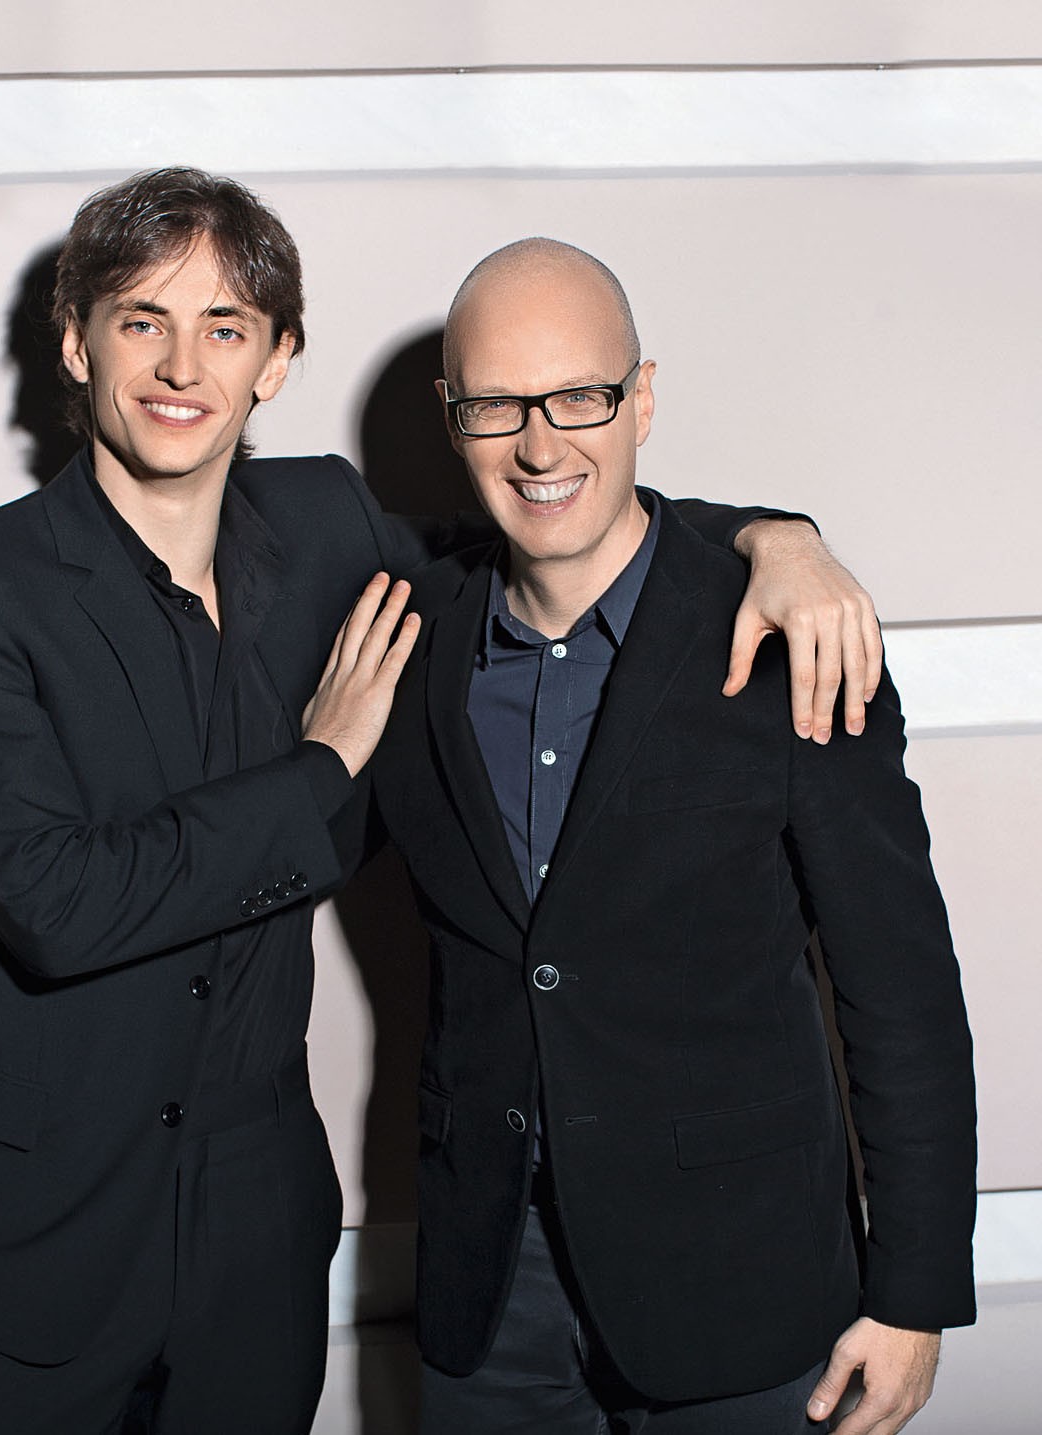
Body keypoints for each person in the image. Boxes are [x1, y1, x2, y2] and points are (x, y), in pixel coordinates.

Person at [0, 168, 884, 1435]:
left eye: (225, 327)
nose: (181, 365)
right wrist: (321, 765)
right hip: (37, 1230)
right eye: (142, 320)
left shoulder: (328, 527)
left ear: (277, 362)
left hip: (258, 1243)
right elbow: (54, 904)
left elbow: (562, 512)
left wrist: (776, 536)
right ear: (77, 345)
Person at [362, 238, 977, 1434]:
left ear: (640, 398)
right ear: (452, 418)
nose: (540, 445)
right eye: (497, 405)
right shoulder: (409, 630)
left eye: (580, 397)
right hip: (489, 1296)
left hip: (744, 1288)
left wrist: (912, 1293)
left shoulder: (792, 639)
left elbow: (898, 989)